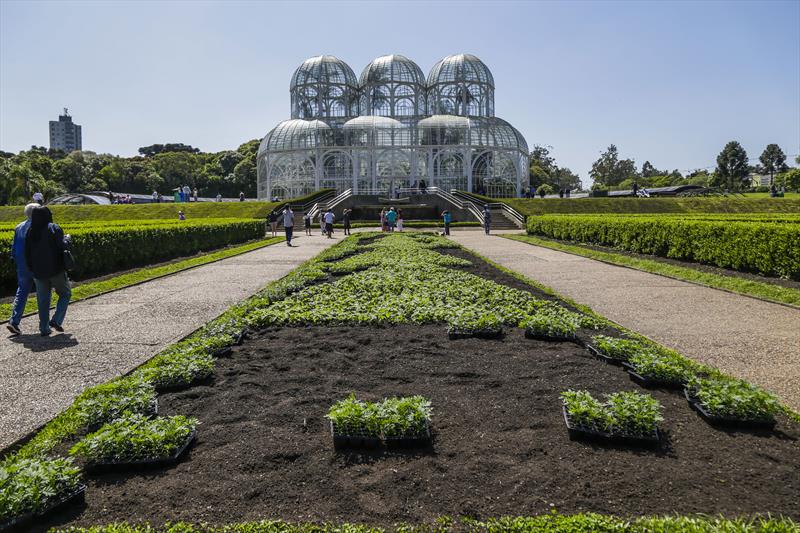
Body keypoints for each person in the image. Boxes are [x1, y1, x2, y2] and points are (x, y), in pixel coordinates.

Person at [25, 206, 71, 337]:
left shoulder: (31, 231)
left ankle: (44, 328)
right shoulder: (53, 228)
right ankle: (56, 320)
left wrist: (31, 268)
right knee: (65, 293)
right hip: (55, 269)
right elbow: (63, 245)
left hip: (38, 271)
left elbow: (27, 253)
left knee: (43, 300)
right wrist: (67, 239)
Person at [6, 203, 39, 335]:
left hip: (21, 265)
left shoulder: (18, 227)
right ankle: (45, 324)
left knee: (21, 292)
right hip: (35, 264)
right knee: (43, 292)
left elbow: (14, 248)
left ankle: (14, 321)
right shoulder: (38, 226)